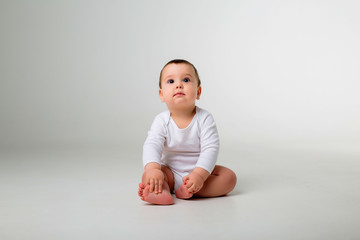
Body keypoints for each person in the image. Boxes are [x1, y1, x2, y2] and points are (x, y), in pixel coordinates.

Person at [138, 59, 237, 205]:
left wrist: (199, 175)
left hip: (200, 171)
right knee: (149, 176)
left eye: (186, 80)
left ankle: (192, 188)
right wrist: (153, 169)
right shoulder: (161, 120)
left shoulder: (204, 118)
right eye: (171, 81)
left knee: (229, 177)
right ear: (161, 94)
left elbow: (210, 148)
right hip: (170, 172)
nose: (179, 85)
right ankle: (162, 191)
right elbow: (152, 144)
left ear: (198, 91)